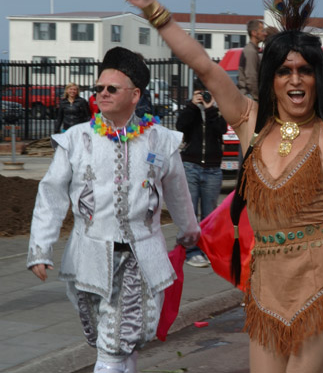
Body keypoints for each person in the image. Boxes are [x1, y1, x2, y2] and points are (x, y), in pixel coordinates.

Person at [115, 0, 323, 372]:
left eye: (304, 70)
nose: (296, 80)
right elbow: (201, 63)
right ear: (273, 79)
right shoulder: (250, 122)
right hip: (265, 283)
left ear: (318, 78)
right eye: (285, 71)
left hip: (322, 279)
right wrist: (152, 10)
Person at [27, 46, 200, 373]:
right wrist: (40, 247)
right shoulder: (76, 139)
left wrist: (190, 230)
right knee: (117, 340)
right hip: (89, 257)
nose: (102, 94)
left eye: (112, 89)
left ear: (135, 95)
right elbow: (52, 192)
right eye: (99, 88)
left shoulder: (160, 140)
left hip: (141, 259)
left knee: (115, 343)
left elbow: (177, 191)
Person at [176, 81, 227, 268]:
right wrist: (192, 105)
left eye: (207, 93)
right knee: (190, 212)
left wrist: (210, 108)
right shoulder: (190, 110)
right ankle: (191, 251)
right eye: (200, 93)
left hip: (213, 169)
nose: (203, 96)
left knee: (210, 214)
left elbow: (221, 129)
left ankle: (207, 250)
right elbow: (181, 125)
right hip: (191, 166)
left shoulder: (217, 110)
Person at [238, 19, 267, 101]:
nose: (265, 33)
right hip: (250, 98)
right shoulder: (251, 51)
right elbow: (251, 77)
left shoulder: (253, 50)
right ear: (254, 33)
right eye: (262, 30)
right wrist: (257, 98)